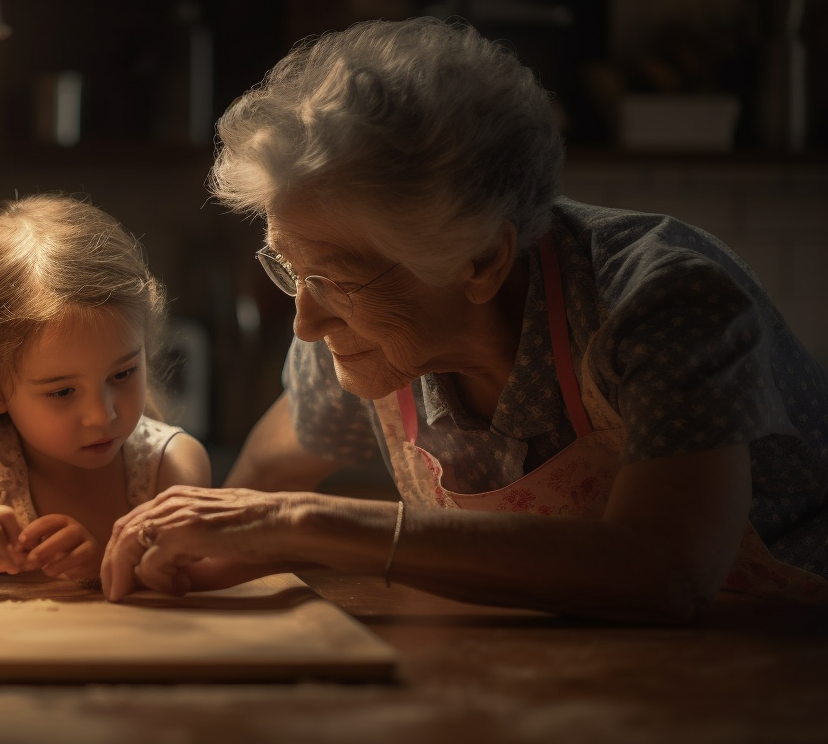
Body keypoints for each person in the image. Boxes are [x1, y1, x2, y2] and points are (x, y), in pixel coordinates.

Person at [101, 16, 828, 623]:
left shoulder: (659, 302)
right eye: (291, 269)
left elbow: (666, 569)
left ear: (481, 261)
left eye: (335, 280)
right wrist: (151, 546)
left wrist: (307, 524)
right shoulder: (362, 339)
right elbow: (253, 494)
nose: (306, 322)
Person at [0, 193, 210, 590]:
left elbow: (190, 573)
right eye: (62, 392)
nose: (102, 415)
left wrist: (104, 563)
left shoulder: (171, 464)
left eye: (123, 373)